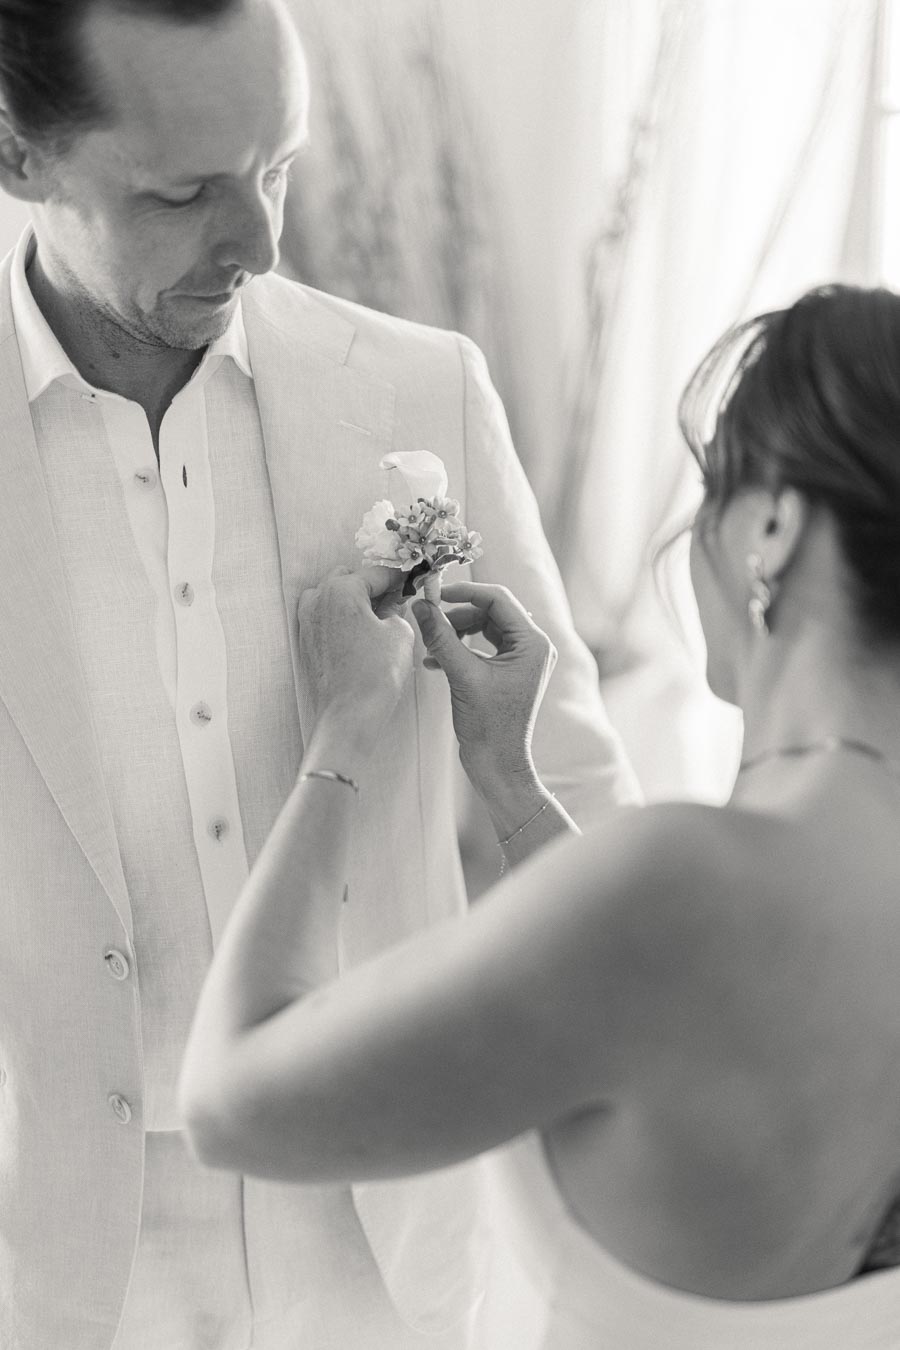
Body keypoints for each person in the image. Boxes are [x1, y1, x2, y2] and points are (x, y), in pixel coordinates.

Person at [0, 1, 636, 1347]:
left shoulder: (421, 395)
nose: (264, 243)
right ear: (20, 157)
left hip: (379, 1238)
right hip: (40, 1260)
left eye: (277, 166)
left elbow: (588, 832)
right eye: (184, 193)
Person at [182, 284, 900, 1349]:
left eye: (711, 491)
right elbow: (656, 1017)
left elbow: (231, 1100)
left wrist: (343, 737)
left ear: (775, 527)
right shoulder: (748, 896)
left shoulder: (683, 885)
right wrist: (511, 784)